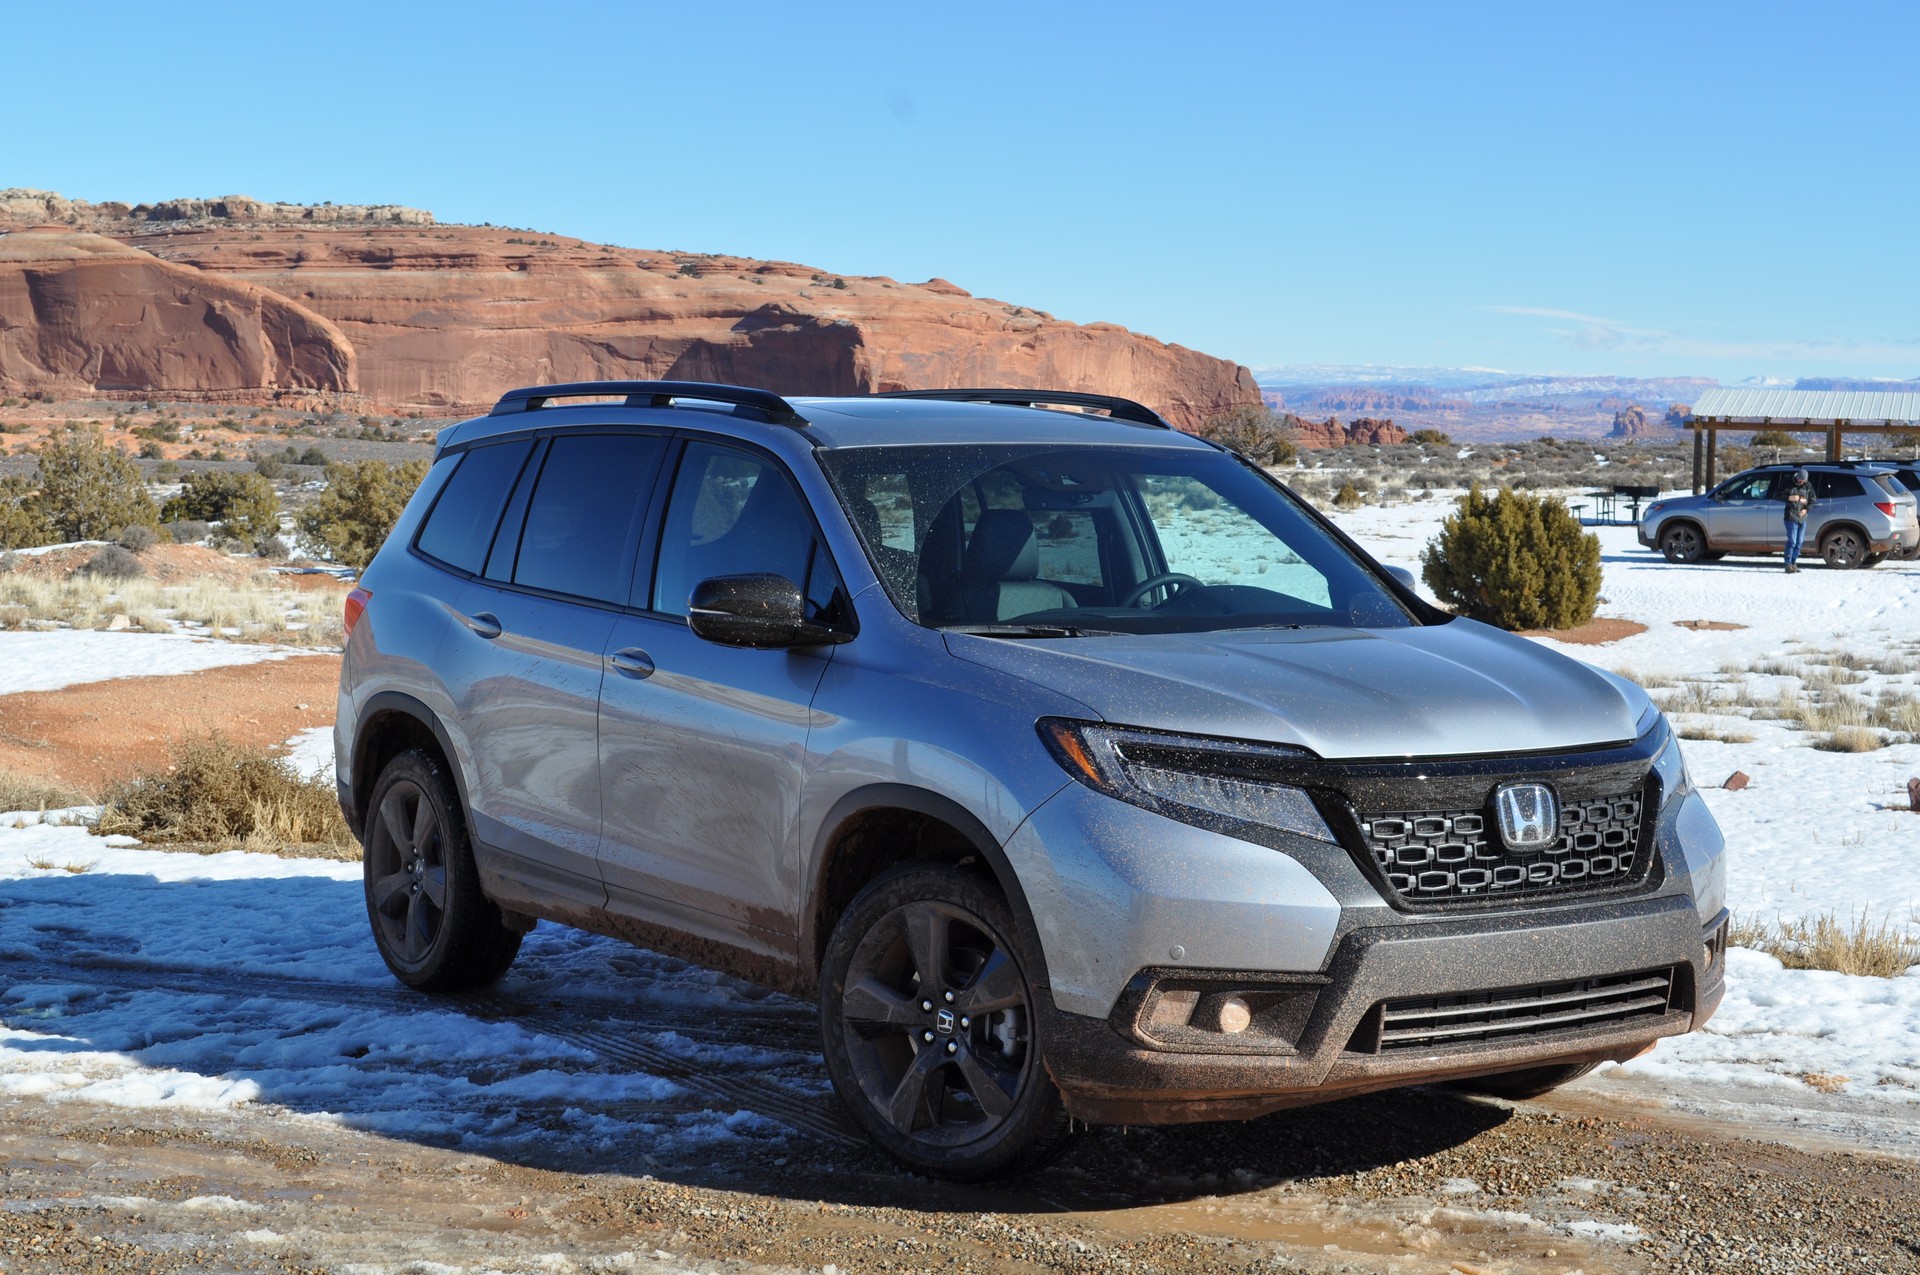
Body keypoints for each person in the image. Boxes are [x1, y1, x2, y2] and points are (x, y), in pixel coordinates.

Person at [1782, 469, 1815, 573]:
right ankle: (1788, 564)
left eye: (1804, 481)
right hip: (1790, 517)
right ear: (1797, 478)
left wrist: (1806, 509)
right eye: (1801, 481)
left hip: (1802, 518)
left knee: (1799, 543)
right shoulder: (1788, 484)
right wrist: (1789, 498)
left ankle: (1794, 562)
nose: (1803, 483)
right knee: (1792, 541)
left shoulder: (1808, 486)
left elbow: (1812, 500)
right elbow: (1777, 495)